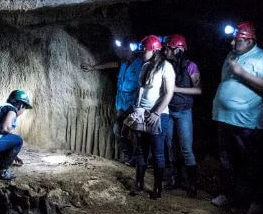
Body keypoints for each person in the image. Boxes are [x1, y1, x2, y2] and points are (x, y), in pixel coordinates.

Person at [211, 21, 263, 214]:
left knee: (249, 162)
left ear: (249, 41)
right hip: (224, 117)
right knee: (226, 159)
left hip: (246, 120)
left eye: (238, 40)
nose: (233, 43)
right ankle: (228, 194)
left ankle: (255, 200)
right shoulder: (231, 56)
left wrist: (242, 73)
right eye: (233, 39)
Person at [81, 39, 144, 164]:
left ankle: (137, 159)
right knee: (117, 130)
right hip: (121, 104)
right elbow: (112, 64)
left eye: (123, 50)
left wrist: (138, 106)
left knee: (135, 133)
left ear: (130, 50)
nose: (120, 52)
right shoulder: (123, 63)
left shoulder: (141, 64)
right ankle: (126, 154)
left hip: (133, 105)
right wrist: (93, 67)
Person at [129, 35, 175, 199]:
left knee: (157, 153)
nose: (142, 52)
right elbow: (141, 89)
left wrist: (156, 113)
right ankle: (139, 183)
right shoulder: (145, 66)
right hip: (142, 113)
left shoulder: (166, 67)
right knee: (141, 150)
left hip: (158, 114)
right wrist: (137, 108)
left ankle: (157, 187)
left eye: (145, 49)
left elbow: (168, 93)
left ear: (154, 50)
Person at [162, 34, 202, 197]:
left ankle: (192, 184)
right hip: (169, 110)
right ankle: (175, 180)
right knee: (170, 145)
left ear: (178, 49)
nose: (166, 51)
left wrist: (175, 90)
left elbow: (198, 89)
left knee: (186, 148)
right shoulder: (166, 65)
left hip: (184, 111)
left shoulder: (191, 66)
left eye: (169, 48)